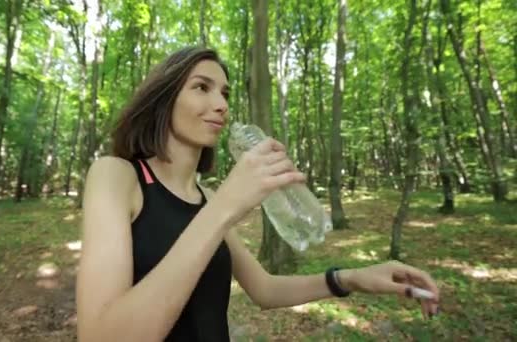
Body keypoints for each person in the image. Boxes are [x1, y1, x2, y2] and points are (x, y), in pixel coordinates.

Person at [76, 46, 440, 341]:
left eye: (225, 93)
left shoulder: (204, 198)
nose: (221, 103)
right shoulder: (117, 176)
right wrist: (225, 206)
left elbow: (264, 289)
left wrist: (351, 278)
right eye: (202, 87)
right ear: (163, 99)